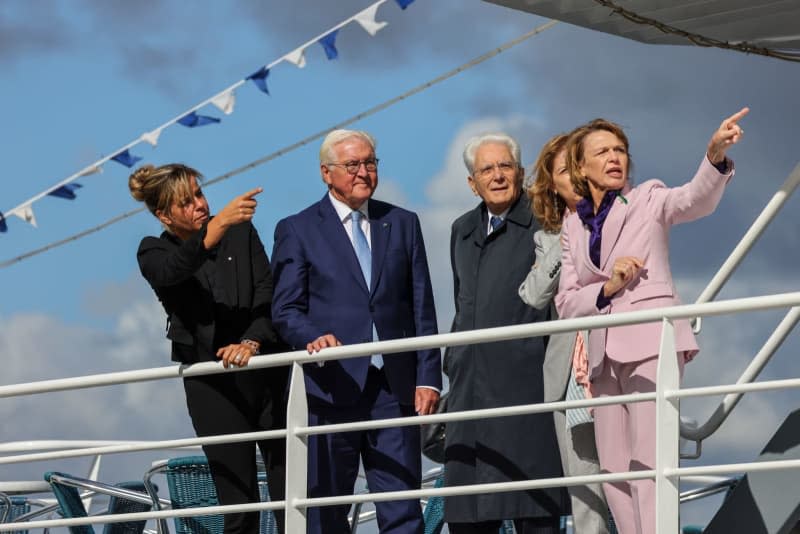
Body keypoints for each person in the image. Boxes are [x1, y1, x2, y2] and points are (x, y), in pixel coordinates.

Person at [555, 108, 748, 534]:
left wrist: (714, 156)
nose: (614, 157)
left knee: (650, 459)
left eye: (620, 149)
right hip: (603, 354)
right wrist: (607, 289)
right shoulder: (573, 225)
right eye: (602, 151)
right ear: (580, 167)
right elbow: (566, 303)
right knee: (614, 468)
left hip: (651, 342)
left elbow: (693, 199)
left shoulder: (648, 197)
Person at [270, 129, 442, 534]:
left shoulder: (402, 223)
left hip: (394, 389)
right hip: (330, 388)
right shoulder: (297, 229)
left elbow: (422, 306)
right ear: (326, 173)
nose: (363, 172)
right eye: (353, 165)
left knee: (402, 508)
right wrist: (311, 336)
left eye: (370, 163)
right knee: (326, 512)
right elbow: (286, 309)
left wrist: (429, 377)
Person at [129, 163, 288, 534]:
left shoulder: (241, 232)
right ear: (163, 215)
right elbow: (174, 270)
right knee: (239, 507)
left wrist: (250, 341)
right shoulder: (152, 251)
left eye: (199, 194)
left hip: (267, 370)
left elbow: (267, 292)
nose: (199, 205)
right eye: (186, 202)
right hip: (211, 386)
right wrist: (217, 227)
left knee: (291, 493)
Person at [444, 133, 570, 534]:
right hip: (469, 392)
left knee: (535, 513)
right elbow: (461, 303)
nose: (497, 176)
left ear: (519, 172)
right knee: (468, 515)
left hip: (526, 384)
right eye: (486, 169)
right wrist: (454, 363)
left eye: (505, 167)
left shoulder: (546, 219)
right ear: (472, 183)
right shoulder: (461, 230)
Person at [518, 134, 610, 533]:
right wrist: (568, 231)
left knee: (634, 481)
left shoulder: (623, 216)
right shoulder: (547, 238)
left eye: (577, 167)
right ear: (551, 185)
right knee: (585, 491)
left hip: (617, 364)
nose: (573, 178)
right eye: (562, 172)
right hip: (569, 379)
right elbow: (535, 294)